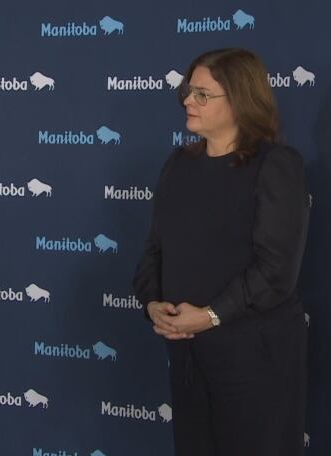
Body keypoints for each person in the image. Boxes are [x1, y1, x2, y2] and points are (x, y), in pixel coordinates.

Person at [133, 48, 309, 455]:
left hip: (255, 360)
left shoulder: (277, 165)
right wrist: (152, 303)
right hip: (189, 357)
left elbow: (276, 271)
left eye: (202, 94)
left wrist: (210, 316)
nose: (187, 102)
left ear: (240, 101)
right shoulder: (178, 164)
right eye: (187, 91)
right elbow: (154, 249)